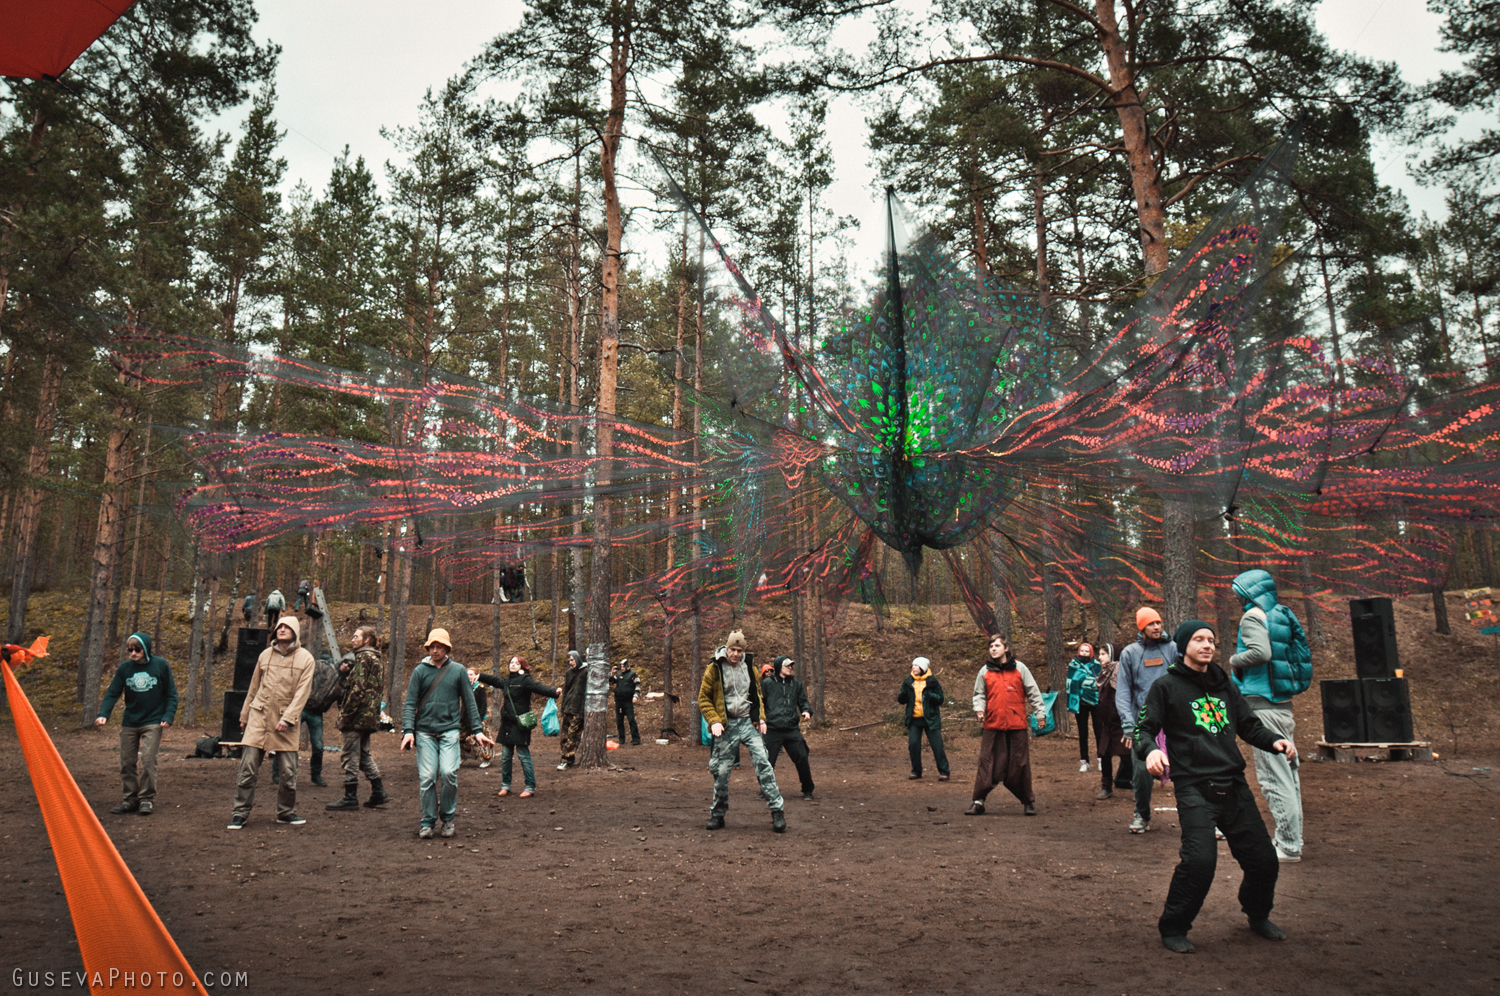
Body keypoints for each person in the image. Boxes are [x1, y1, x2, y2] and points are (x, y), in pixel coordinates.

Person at [1135, 620, 1296, 953]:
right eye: (1199, 639)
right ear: (1184, 646)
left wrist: (1275, 741)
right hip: (1194, 786)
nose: (1207, 645)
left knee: (1264, 860)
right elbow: (1143, 729)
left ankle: (1257, 914)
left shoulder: (1224, 684)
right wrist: (1150, 750)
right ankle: (1174, 927)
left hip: (1233, 784)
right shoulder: (1166, 686)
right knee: (1200, 861)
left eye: (1210, 640)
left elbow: (1249, 726)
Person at [1229, 569, 1311, 864]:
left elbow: (1261, 653)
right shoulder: (1281, 614)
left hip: (1263, 708)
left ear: (1249, 592)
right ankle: (1293, 839)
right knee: (1288, 776)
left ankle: (1288, 846)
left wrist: (1233, 660)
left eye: (1238, 592)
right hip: (1282, 706)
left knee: (1274, 778)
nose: (1236, 597)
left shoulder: (1253, 616)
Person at [400, 629, 491, 839]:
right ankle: (427, 821)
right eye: (431, 647)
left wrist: (477, 731)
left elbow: (469, 701)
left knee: (449, 773)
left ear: (447, 648)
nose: (435, 650)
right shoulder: (419, 671)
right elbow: (410, 703)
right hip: (424, 732)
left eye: (439, 647)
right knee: (427, 778)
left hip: (450, 730)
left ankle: (448, 818)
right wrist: (408, 731)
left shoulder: (458, 670)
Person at [227, 617, 316, 829]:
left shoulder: (306, 659)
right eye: (279, 627)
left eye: (287, 627)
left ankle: (285, 812)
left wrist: (288, 718)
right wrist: (244, 716)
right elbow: (253, 688)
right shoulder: (264, 655)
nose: (282, 630)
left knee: (288, 772)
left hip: (285, 722)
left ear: (295, 631)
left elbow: (302, 693)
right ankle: (239, 813)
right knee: (247, 768)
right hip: (259, 717)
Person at [698, 630, 786, 832]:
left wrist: (760, 718)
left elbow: (757, 695)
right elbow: (703, 698)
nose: (736, 654)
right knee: (721, 771)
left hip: (747, 723)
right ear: (727, 648)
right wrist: (714, 720)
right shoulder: (715, 668)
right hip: (726, 724)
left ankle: (777, 811)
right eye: (733, 649)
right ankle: (717, 814)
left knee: (763, 761)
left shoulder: (749, 667)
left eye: (739, 650)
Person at [95, 632, 178, 816]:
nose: (133, 653)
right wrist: (103, 714)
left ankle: (146, 799)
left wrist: (168, 715)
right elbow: (113, 692)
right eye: (130, 650)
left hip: (153, 721)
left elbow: (171, 693)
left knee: (148, 760)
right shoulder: (125, 668)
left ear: (146, 649)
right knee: (127, 763)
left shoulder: (160, 665)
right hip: (130, 722)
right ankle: (130, 799)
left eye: (137, 650)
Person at [965, 634, 1046, 817]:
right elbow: (979, 694)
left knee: (1020, 764)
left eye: (997, 645)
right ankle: (978, 802)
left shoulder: (1020, 668)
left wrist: (1040, 714)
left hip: (1016, 725)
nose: (993, 649)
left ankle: (1028, 802)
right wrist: (979, 709)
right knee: (986, 762)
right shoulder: (985, 671)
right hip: (992, 725)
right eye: (991, 646)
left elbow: (1033, 692)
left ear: (1006, 648)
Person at [1116, 607, 1180, 833]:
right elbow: (1123, 691)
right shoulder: (1130, 653)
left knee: (1187, 769)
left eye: (1158, 623)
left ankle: (1204, 816)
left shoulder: (1172, 649)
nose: (1156, 627)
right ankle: (1141, 814)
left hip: (1173, 721)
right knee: (1142, 773)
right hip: (1144, 724)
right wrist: (1128, 725)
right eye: (1151, 624)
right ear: (1141, 627)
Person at [477, 656, 560, 799]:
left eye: (517, 663)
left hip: (521, 723)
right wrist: (480, 676)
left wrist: (554, 692)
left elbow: (539, 687)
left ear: (522, 666)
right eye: (511, 663)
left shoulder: (525, 680)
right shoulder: (507, 681)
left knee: (523, 756)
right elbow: (495, 681)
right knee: (505, 757)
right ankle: (505, 786)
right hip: (507, 725)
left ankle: (530, 786)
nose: (513, 665)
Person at [326, 625, 389, 811]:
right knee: (363, 755)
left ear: (366, 640)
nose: (352, 639)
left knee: (350, 755)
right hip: (369, 717)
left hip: (356, 717)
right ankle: (378, 791)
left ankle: (350, 796)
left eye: (356, 636)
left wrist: (345, 715)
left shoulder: (363, 658)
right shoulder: (376, 659)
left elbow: (357, 690)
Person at [761, 655, 816, 801]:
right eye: (787, 665)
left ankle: (808, 789)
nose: (790, 668)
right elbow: (760, 703)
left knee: (802, 757)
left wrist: (806, 711)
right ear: (779, 666)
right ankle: (765, 789)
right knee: (767, 761)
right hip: (772, 728)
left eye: (791, 665)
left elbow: (803, 701)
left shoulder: (796, 684)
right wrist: (761, 720)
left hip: (791, 728)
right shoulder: (766, 684)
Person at [897, 657, 950, 781]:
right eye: (913, 665)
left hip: (931, 719)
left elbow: (940, 699)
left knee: (937, 746)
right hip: (914, 719)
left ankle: (944, 771)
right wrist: (902, 695)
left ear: (923, 668)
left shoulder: (932, 681)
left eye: (916, 665)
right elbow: (901, 700)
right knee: (913, 745)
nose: (913, 667)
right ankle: (916, 771)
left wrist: (931, 696)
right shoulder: (908, 681)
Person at [1094, 643, 1133, 799]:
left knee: (1128, 755)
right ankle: (1106, 787)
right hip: (1107, 723)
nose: (1100, 657)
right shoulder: (1104, 672)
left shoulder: (1120, 672)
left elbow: (1124, 696)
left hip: (1120, 722)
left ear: (1112, 655)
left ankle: (1138, 786)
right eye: (1100, 654)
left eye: (1103, 654)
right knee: (1104, 755)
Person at [1066, 642, 1104, 775]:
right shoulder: (1073, 665)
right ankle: (1084, 761)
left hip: (1095, 701)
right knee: (1082, 732)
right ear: (1078, 652)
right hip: (1079, 702)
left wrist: (1086, 683)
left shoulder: (1097, 665)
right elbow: (1070, 683)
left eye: (1087, 651)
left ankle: (1101, 759)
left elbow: (1100, 682)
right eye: (1082, 651)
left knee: (1099, 731)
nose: (1084, 653)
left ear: (1091, 653)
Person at [556, 649, 587, 769]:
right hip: (568, 708)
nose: (570, 662)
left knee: (572, 736)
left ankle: (565, 759)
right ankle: (569, 758)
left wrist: (583, 711)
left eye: (572, 660)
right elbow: (566, 690)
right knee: (564, 736)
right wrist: (563, 707)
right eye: (569, 661)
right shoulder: (569, 672)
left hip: (578, 710)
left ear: (577, 659)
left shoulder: (585, 672)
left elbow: (585, 693)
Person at [462, 668, 494, 768]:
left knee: (481, 739)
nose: (469, 676)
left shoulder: (480, 688)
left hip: (478, 717)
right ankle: (463, 756)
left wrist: (480, 719)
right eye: (467, 674)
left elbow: (483, 705)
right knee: (462, 738)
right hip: (465, 718)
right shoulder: (465, 688)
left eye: (471, 674)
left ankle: (486, 758)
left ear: (476, 676)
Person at [611, 658, 641, 745]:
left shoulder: (633, 674)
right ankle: (621, 738)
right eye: (621, 666)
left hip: (628, 701)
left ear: (627, 666)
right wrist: (612, 673)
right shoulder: (619, 675)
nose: (622, 668)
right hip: (619, 701)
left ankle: (636, 738)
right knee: (619, 721)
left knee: (631, 720)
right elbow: (611, 681)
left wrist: (635, 696)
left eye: (623, 666)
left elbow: (638, 685)